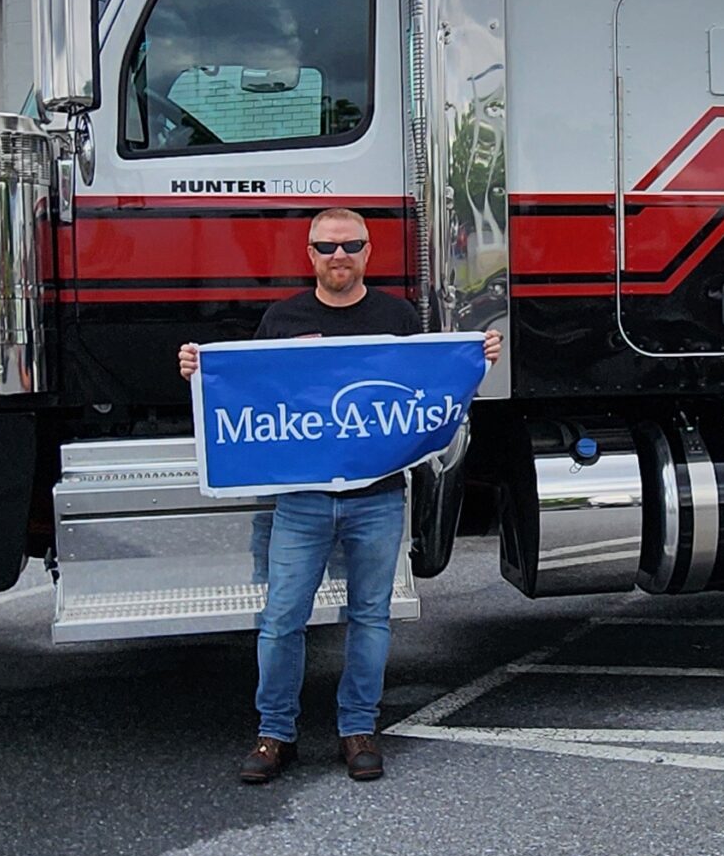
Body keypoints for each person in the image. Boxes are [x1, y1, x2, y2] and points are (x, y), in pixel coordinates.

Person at [177, 207, 499, 786]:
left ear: (369, 251)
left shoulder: (397, 317)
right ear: (310, 255)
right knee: (281, 621)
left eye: (351, 245)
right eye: (326, 248)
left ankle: (357, 729)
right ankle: (275, 734)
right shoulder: (282, 318)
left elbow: (427, 389)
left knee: (370, 617)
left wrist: (477, 358)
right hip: (300, 501)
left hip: (377, 498)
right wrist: (201, 370)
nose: (339, 256)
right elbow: (248, 391)